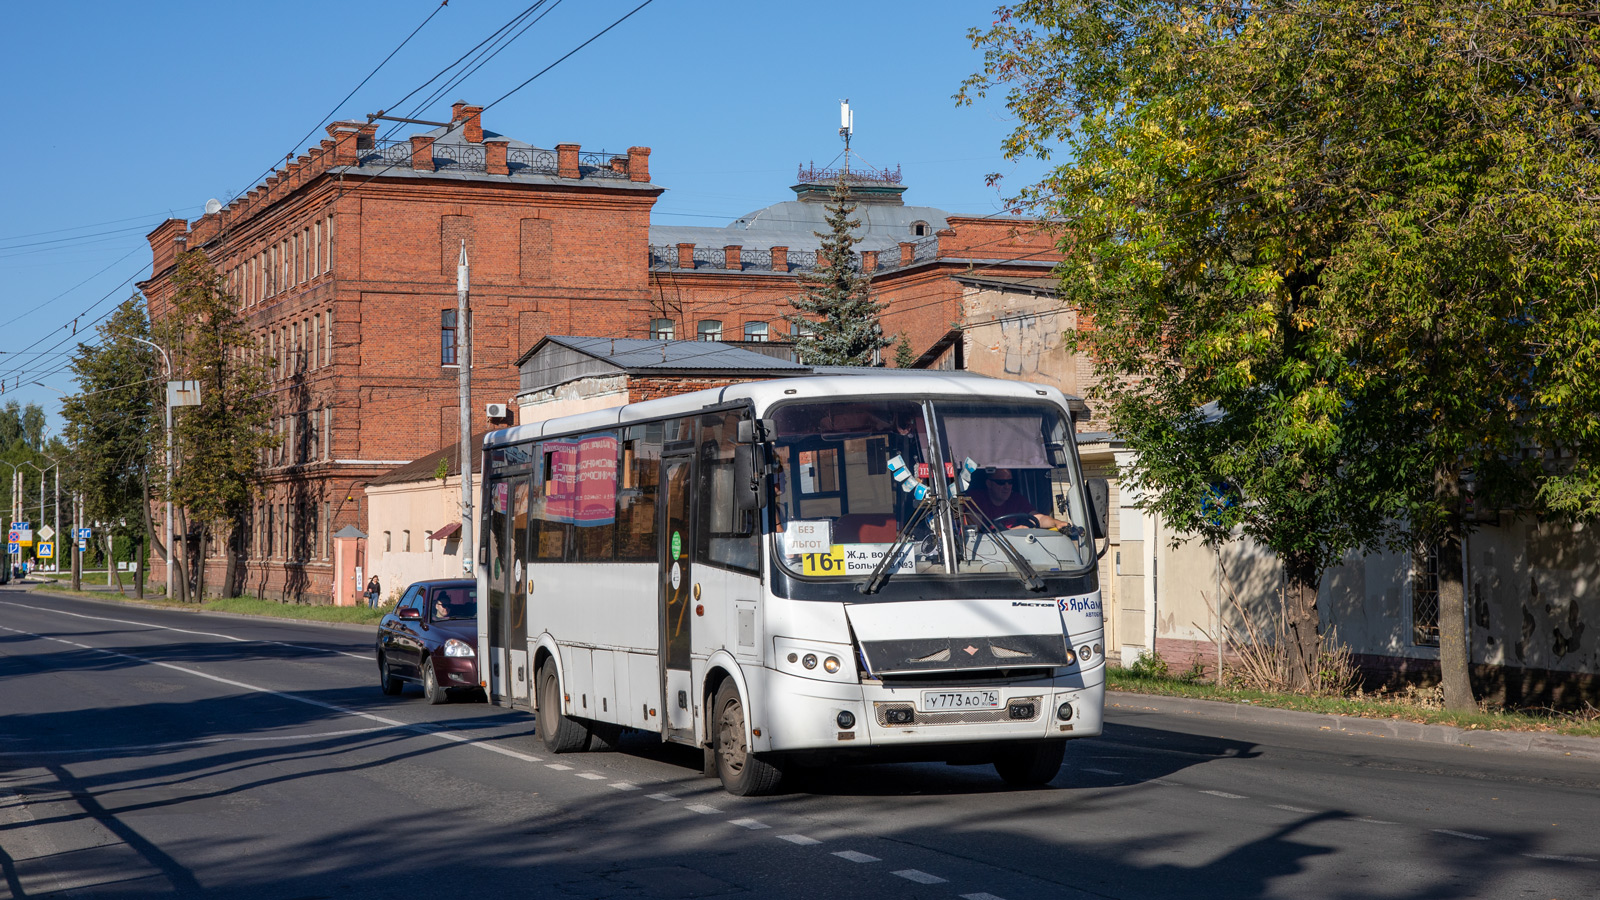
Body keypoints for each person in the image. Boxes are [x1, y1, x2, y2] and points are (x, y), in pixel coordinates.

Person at [968, 468, 1070, 530]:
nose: (1007, 486)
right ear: (989, 484)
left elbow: (1038, 518)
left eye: (1010, 482)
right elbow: (976, 531)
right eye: (1001, 482)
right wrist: (1012, 532)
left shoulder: (1016, 499)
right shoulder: (975, 499)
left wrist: (1056, 523)